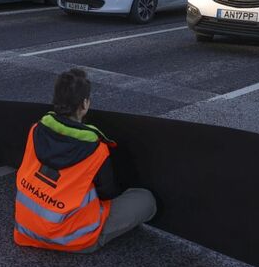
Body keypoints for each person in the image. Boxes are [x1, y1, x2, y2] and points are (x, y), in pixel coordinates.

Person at [13, 69, 157, 252]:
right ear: (84, 104)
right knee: (146, 200)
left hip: (27, 228)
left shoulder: (36, 130)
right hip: (72, 238)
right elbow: (107, 194)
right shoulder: (95, 149)